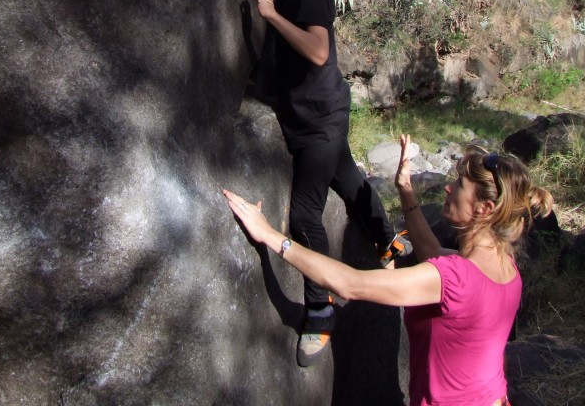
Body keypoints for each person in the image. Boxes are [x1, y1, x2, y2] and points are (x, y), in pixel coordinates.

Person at [223, 133, 554, 406]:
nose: (449, 188)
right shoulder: (506, 267)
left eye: (460, 184)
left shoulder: (453, 279)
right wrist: (405, 188)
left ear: (484, 208)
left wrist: (271, 236)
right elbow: (432, 252)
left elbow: (349, 284)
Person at [247, 0, 406, 367]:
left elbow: (317, 51)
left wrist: (269, 14)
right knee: (347, 177)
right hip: (319, 114)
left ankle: (321, 307)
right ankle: (388, 240)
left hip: (319, 123)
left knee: (304, 215)